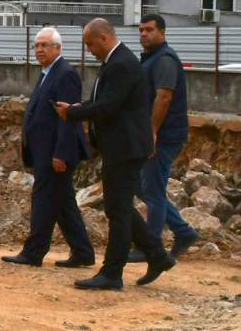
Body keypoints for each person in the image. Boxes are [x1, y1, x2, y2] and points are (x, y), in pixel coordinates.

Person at [54, 18, 176, 290]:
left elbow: (108, 106)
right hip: (122, 146)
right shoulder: (116, 61)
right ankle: (157, 255)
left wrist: (72, 113)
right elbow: (105, 102)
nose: (88, 50)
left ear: (104, 39)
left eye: (90, 44)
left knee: (117, 211)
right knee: (118, 206)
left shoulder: (121, 64)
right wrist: (78, 107)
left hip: (127, 147)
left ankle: (112, 273)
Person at [3, 27, 95, 268]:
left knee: (43, 198)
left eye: (45, 45)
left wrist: (61, 152)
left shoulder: (64, 74)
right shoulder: (48, 73)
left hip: (55, 152)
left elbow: (68, 116)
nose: (39, 49)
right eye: (36, 45)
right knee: (63, 203)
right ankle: (83, 251)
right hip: (45, 150)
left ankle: (34, 251)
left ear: (58, 48)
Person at [132, 14, 199, 261]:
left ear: (162, 33)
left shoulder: (164, 60)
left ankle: (151, 247)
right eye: (141, 30)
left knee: (153, 192)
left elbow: (164, 97)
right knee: (142, 186)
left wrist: (152, 132)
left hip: (163, 137)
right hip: (156, 135)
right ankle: (183, 231)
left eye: (149, 30)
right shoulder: (152, 59)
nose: (144, 34)